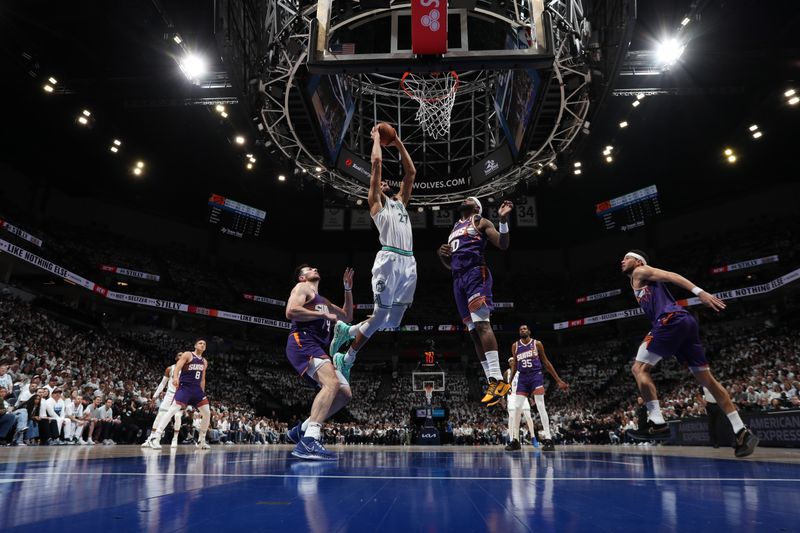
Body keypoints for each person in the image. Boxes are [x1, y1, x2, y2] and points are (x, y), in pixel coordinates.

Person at [620, 250, 758, 457]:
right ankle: (741, 430)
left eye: (627, 257)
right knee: (707, 380)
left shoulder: (640, 271)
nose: (622, 261)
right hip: (685, 324)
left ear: (638, 261)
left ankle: (657, 421)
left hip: (670, 320)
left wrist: (699, 292)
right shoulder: (641, 280)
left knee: (638, 368)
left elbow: (671, 276)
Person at [329, 125, 417, 380]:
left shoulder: (401, 202)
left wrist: (398, 141)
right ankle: (347, 357)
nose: (385, 183)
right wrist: (377, 138)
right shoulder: (376, 203)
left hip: (409, 263)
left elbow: (410, 172)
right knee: (379, 317)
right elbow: (377, 163)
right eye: (382, 183)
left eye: (388, 183)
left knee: (392, 322)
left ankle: (348, 330)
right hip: (388, 260)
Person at [437, 197, 514, 405]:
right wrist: (443, 256)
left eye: (469, 199)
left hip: (475, 274)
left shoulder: (481, 221)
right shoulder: (455, 227)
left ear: (476, 206)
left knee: (482, 324)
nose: (464, 199)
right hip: (458, 280)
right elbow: (451, 266)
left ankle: (498, 379)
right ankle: (492, 380)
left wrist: (503, 220)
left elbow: (503, 244)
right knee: (472, 333)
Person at [285, 265, 354, 460]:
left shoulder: (323, 300)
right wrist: (321, 315)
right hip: (302, 340)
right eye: (309, 268)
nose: (315, 268)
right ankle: (309, 441)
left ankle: (300, 430)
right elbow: (291, 311)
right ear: (302, 277)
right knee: (331, 384)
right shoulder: (302, 288)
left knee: (344, 393)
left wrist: (347, 289)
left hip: (315, 346)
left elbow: (347, 316)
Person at [505, 325, 568, 451]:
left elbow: (546, 362)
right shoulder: (515, 346)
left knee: (540, 405)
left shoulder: (537, 344)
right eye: (520, 329)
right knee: (517, 407)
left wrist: (559, 380)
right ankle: (516, 441)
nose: (522, 330)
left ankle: (549, 440)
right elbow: (515, 367)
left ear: (529, 331)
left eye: (525, 328)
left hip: (535, 376)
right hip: (522, 378)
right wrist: (509, 384)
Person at [145, 339, 212, 450]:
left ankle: (202, 440)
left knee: (207, 413)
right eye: (200, 343)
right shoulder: (188, 354)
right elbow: (177, 367)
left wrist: (202, 391)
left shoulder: (204, 361)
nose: (203, 345)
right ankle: (155, 437)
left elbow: (202, 378)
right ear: (195, 345)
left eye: (205, 344)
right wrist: (175, 377)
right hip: (185, 388)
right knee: (172, 411)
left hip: (196, 390)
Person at [141, 353, 183, 449]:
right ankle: (152, 438)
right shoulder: (170, 369)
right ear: (176, 357)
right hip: (169, 395)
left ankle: (175, 438)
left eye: (183, 355)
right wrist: (155, 396)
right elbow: (162, 383)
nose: (182, 356)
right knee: (160, 416)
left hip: (180, 396)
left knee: (177, 417)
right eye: (180, 355)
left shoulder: (187, 370)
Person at [503, 357, 538, 451]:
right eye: (510, 361)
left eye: (512, 360)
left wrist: (530, 397)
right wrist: (503, 398)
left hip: (522, 394)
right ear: (509, 363)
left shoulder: (521, 371)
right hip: (512, 396)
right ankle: (512, 440)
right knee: (511, 418)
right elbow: (502, 385)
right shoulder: (507, 372)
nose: (511, 362)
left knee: (528, 416)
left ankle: (533, 437)